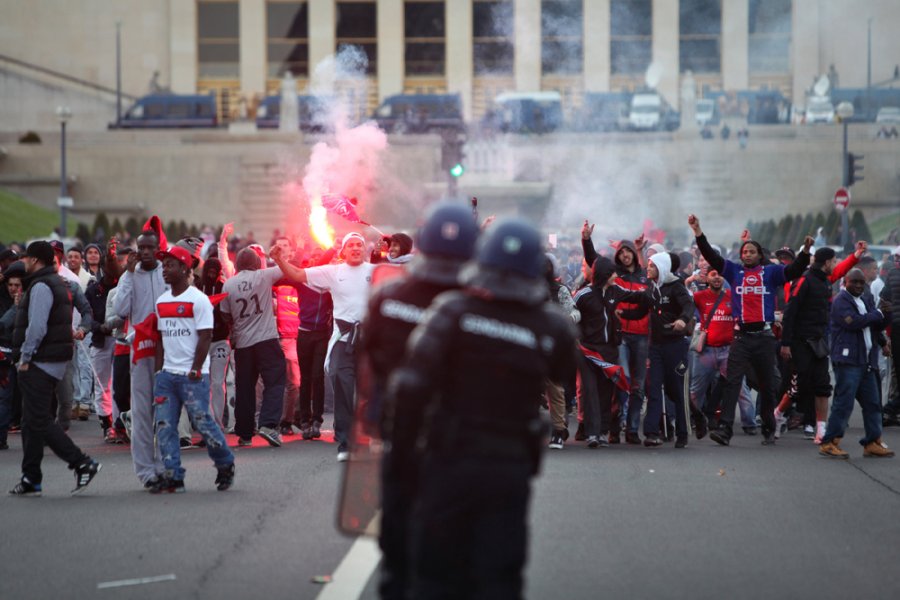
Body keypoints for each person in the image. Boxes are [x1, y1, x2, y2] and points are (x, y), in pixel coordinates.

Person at [388, 218, 577, 597]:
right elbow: (565, 370)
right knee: (500, 574)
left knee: (436, 572)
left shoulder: (452, 310)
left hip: (449, 458)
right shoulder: (549, 325)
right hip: (508, 467)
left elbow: (409, 387)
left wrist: (403, 461)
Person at [361, 203, 479, 599]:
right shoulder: (483, 305)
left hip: (405, 438)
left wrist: (376, 419)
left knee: (399, 552)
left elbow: (370, 364)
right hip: (462, 446)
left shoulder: (387, 297)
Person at [689, 213, 812, 445]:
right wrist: (698, 232)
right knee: (732, 382)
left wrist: (805, 253)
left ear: (760, 255)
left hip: (764, 337)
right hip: (741, 337)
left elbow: (795, 271)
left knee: (768, 384)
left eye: (752, 252)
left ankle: (768, 425)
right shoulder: (733, 272)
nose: (747, 255)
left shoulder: (771, 273)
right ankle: (725, 429)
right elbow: (711, 256)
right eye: (744, 252)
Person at [271, 232, 375, 461]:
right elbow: (298, 274)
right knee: (341, 380)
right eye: (351, 245)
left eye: (360, 245)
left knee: (372, 389)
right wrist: (279, 260)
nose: (356, 248)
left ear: (365, 249)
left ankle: (373, 435)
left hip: (370, 340)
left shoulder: (374, 271)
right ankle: (347, 442)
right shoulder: (333, 272)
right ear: (344, 251)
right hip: (343, 339)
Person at [8, 241, 101, 496]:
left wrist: (25, 357)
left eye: (27, 258)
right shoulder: (54, 283)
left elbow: (36, 327)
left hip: (39, 361)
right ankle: (31, 478)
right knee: (30, 422)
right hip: (50, 359)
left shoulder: (41, 286)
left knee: (40, 420)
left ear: (35, 260)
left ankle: (82, 462)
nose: (23, 262)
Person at [149, 245, 236, 493]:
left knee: (204, 424)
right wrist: (158, 372)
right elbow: (160, 339)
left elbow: (206, 336)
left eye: (170, 265)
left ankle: (225, 464)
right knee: (165, 426)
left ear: (184, 268)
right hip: (167, 376)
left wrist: (196, 368)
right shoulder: (162, 301)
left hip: (193, 376)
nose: (165, 269)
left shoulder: (198, 300)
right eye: (163, 265)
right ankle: (173, 475)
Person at [582, 222, 650, 444]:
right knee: (613, 385)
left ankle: (623, 430)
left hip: (626, 342)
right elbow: (594, 260)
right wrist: (586, 240)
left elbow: (641, 299)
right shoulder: (590, 291)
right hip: (601, 347)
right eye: (621, 254)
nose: (625, 256)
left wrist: (653, 295)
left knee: (624, 387)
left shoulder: (636, 280)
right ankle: (604, 429)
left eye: (629, 252)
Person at [113, 222, 169, 488]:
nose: (145, 252)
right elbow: (121, 309)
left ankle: (165, 466)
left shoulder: (166, 273)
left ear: (158, 250)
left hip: (168, 350)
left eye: (150, 247)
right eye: (141, 247)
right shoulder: (131, 275)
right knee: (142, 411)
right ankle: (146, 472)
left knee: (165, 410)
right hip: (141, 350)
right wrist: (127, 274)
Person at [819, 269, 893, 458]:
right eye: (855, 282)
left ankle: (872, 442)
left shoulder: (866, 299)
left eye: (862, 282)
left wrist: (887, 314)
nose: (859, 286)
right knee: (843, 403)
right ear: (846, 281)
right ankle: (829, 442)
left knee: (873, 403)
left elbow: (875, 325)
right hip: (848, 360)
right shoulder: (841, 301)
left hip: (866, 360)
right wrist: (877, 313)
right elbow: (853, 322)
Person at [219, 247, 286, 448]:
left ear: (238, 265)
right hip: (266, 339)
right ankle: (268, 424)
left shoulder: (228, 284)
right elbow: (286, 270)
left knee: (245, 387)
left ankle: (245, 433)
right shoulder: (264, 276)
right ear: (257, 263)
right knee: (275, 380)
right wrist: (279, 257)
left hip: (243, 343)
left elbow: (224, 314)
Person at [689, 269, 757, 434]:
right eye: (713, 275)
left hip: (728, 351)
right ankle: (693, 419)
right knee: (696, 390)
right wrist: (687, 281)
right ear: (707, 279)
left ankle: (750, 424)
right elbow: (683, 304)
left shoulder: (733, 296)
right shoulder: (699, 297)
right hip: (705, 351)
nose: (717, 277)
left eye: (719, 274)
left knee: (741, 388)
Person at [271, 237, 301, 436]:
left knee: (295, 383)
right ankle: (271, 420)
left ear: (291, 251)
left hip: (299, 336)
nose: (282, 248)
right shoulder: (269, 276)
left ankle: (289, 420)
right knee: (276, 382)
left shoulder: (300, 274)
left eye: (286, 245)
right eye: (278, 245)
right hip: (276, 337)